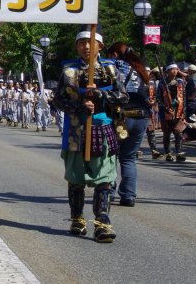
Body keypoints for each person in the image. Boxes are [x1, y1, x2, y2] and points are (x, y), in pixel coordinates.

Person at [53, 27, 128, 243]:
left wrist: (102, 95)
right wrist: (79, 104)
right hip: (76, 131)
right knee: (76, 179)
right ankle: (77, 217)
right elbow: (58, 100)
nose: (86, 46)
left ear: (100, 46)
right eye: (82, 42)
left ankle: (102, 221)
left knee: (105, 178)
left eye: (91, 42)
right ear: (76, 46)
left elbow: (123, 97)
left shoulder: (111, 70)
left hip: (103, 129)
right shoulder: (68, 71)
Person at [107, 42, 151, 207]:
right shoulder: (141, 69)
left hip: (121, 116)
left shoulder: (113, 65)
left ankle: (109, 192)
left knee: (111, 154)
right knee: (129, 157)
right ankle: (128, 195)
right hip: (141, 116)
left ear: (115, 54)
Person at [156, 62, 187, 162]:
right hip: (166, 111)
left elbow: (184, 96)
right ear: (168, 71)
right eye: (172, 69)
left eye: (176, 69)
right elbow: (159, 98)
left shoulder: (180, 82)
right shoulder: (162, 83)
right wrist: (165, 107)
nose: (175, 71)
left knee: (178, 132)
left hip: (179, 110)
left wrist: (184, 109)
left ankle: (179, 152)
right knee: (167, 133)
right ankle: (168, 153)